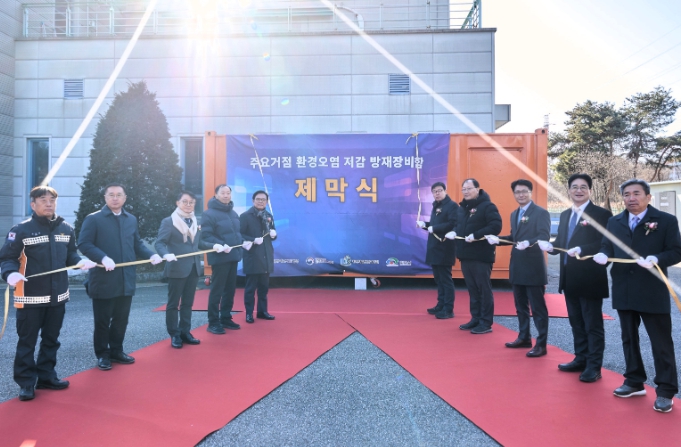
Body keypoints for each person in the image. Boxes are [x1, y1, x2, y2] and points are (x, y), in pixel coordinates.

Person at [0, 186, 96, 401]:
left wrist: (80, 262)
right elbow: (7, 258)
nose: (49, 203)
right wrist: (10, 274)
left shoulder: (66, 228)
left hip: (57, 296)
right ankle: (26, 382)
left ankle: (46, 376)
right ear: (33, 204)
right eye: (43, 199)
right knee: (27, 342)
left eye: (52, 199)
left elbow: (70, 254)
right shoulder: (21, 230)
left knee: (51, 340)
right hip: (30, 297)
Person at [595, 179, 681, 413]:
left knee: (661, 342)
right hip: (624, 287)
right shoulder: (614, 222)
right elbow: (607, 246)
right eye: (626, 194)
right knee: (628, 338)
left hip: (652, 289)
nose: (631, 198)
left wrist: (657, 259)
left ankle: (666, 390)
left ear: (648, 197)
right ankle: (634, 380)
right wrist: (602, 255)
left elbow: (676, 251)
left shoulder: (666, 220)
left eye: (636, 193)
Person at [78, 183, 162, 371]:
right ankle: (102, 354)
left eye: (119, 195)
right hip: (103, 278)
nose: (115, 198)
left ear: (125, 198)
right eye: (111, 195)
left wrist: (151, 255)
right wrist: (102, 257)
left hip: (125, 278)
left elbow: (137, 244)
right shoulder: (94, 219)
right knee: (102, 320)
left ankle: (117, 350)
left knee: (121, 318)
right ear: (105, 197)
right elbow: (84, 243)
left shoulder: (130, 219)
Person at [539, 173, 612, 382]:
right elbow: (562, 242)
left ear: (590, 190)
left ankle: (594, 366)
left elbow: (605, 243)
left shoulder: (601, 214)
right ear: (569, 190)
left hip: (590, 278)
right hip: (569, 278)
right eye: (574, 187)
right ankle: (580, 358)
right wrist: (551, 246)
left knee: (592, 325)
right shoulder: (565, 214)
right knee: (576, 322)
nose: (578, 190)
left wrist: (583, 248)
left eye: (583, 187)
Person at [486, 179, 551, 357]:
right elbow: (514, 237)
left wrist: (528, 242)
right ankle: (524, 337)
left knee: (538, 308)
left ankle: (541, 344)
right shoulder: (514, 214)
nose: (520, 195)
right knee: (520, 305)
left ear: (530, 192)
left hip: (533, 267)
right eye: (517, 192)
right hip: (517, 266)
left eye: (524, 191)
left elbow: (544, 236)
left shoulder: (541, 213)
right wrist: (497, 240)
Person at [154, 191, 203, 348]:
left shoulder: (195, 221)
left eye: (191, 202)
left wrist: (216, 246)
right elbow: (159, 243)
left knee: (188, 303)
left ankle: (185, 332)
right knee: (173, 303)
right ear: (178, 203)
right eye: (185, 201)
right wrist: (165, 254)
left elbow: (199, 243)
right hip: (176, 267)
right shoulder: (169, 221)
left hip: (194, 267)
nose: (188, 205)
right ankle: (174, 334)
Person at [200, 184, 250, 334]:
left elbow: (236, 234)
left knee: (230, 290)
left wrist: (243, 242)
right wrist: (220, 245)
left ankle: (226, 317)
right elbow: (206, 236)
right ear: (216, 195)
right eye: (223, 193)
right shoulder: (208, 214)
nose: (226, 195)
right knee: (217, 290)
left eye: (228, 193)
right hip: (219, 257)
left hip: (233, 256)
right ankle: (213, 322)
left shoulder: (233, 213)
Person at [456, 178, 502, 334]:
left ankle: (486, 322)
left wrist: (476, 235)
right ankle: (475, 318)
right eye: (464, 189)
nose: (466, 192)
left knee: (483, 289)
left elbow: (495, 226)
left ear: (477, 189)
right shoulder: (463, 208)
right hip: (465, 255)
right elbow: (458, 226)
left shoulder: (487, 206)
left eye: (469, 188)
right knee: (472, 289)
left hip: (481, 255)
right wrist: (454, 232)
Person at [417, 182, 458, 319]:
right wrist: (425, 225)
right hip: (434, 247)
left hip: (445, 247)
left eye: (440, 190)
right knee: (438, 279)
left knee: (445, 279)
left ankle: (448, 309)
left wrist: (434, 228)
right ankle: (441, 304)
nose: (437, 193)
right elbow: (435, 225)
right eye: (434, 191)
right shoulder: (436, 205)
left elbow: (452, 224)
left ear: (445, 191)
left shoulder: (452, 206)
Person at [240, 190, 277, 323]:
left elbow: (272, 235)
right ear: (253, 201)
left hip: (266, 255)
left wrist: (274, 234)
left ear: (267, 202)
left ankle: (262, 311)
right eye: (258, 199)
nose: (261, 202)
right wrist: (252, 240)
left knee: (264, 288)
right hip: (253, 256)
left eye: (263, 199)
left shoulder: (269, 216)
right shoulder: (245, 216)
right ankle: (249, 314)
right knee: (250, 288)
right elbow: (239, 234)